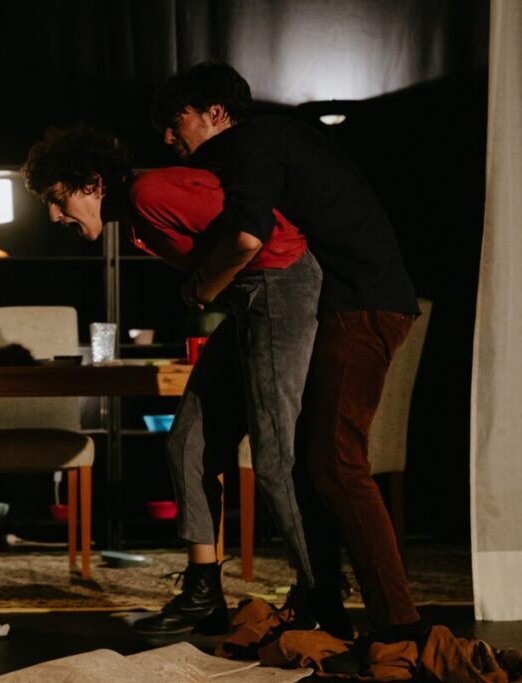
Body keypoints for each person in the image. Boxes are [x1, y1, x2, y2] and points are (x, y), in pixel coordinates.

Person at [153, 62, 423, 642]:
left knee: (334, 462)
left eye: (177, 121)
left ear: (216, 114)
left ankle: (399, 626)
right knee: (305, 456)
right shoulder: (267, 143)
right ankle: (316, 599)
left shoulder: (255, 143)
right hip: (342, 302)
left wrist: (202, 288)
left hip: (360, 304)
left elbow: (247, 237)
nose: (168, 137)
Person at [22, 125, 323, 635]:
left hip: (281, 286)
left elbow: (253, 237)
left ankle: (321, 593)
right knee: (189, 442)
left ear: (92, 184)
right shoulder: (135, 216)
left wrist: (203, 286)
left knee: (274, 452)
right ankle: (204, 592)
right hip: (248, 301)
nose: (53, 215)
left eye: (57, 198)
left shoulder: (150, 192)